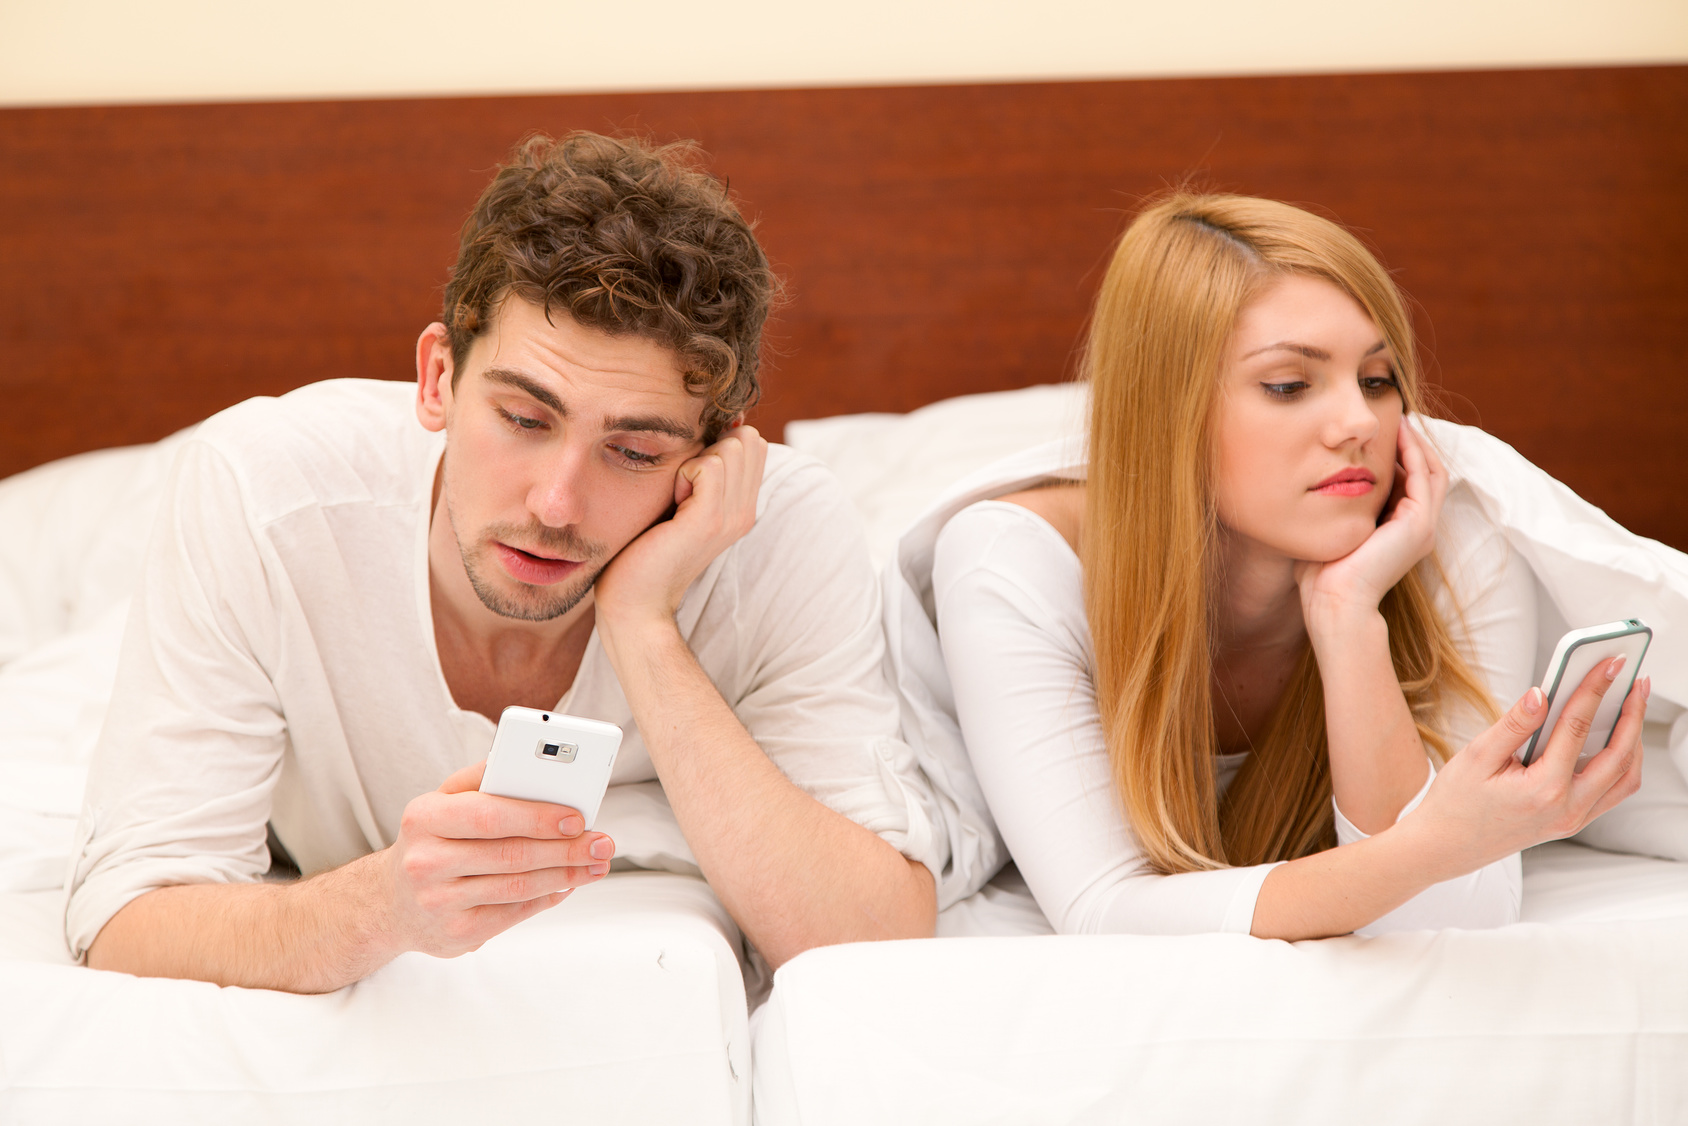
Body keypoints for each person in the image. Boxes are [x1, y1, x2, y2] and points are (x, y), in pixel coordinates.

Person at [66, 132, 940, 991]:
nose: (556, 507)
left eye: (633, 452)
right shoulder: (264, 491)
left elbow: (871, 940)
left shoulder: (777, 531)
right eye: (524, 420)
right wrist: (384, 909)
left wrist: (640, 622)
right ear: (438, 378)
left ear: (709, 458)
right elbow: (126, 919)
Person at [923, 193, 1647, 939]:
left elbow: (1449, 918)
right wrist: (1431, 847)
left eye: (1376, 379)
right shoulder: (1012, 561)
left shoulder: (1450, 537)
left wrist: (1347, 617)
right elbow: (1105, 911)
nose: (1359, 425)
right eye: (1289, 386)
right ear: (1169, 413)